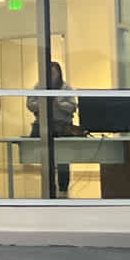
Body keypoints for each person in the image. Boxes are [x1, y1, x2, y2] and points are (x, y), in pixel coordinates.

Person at [26, 60, 77, 197]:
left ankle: (63, 188)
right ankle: (49, 188)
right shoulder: (38, 87)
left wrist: (58, 104)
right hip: (43, 126)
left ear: (59, 74)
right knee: (45, 157)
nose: (52, 76)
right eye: (49, 73)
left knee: (63, 158)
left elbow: (73, 106)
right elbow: (30, 104)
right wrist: (42, 103)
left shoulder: (66, 88)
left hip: (61, 126)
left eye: (54, 73)